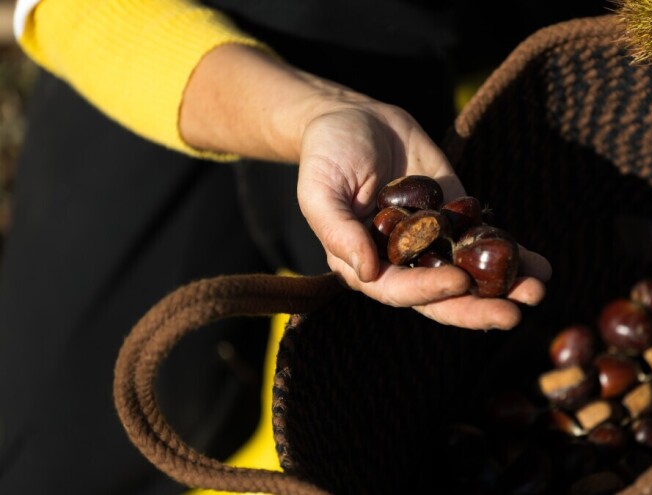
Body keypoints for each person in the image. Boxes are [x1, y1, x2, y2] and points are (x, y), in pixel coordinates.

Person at [0, 1, 607, 493]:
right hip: (165, 51)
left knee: (388, 370)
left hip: (430, 46)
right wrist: (317, 112)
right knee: (46, 460)